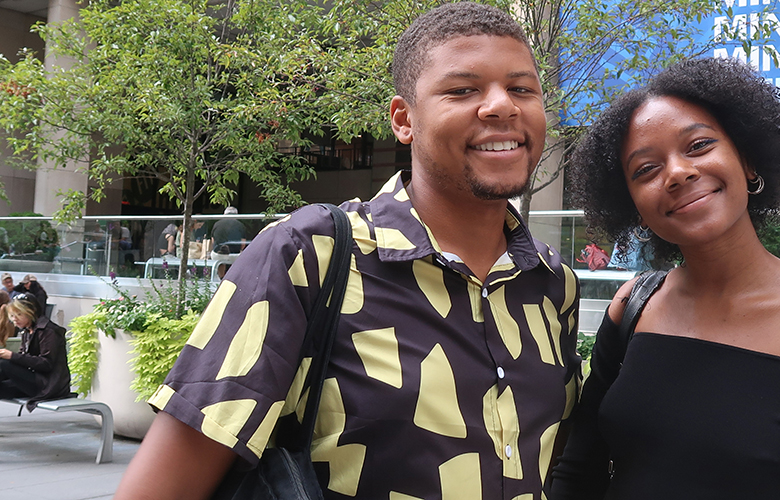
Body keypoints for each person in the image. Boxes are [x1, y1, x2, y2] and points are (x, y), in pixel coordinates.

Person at [115, 4, 581, 499]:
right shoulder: (310, 254)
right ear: (404, 120)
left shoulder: (553, 285)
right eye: (462, 90)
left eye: (521, 88)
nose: (501, 106)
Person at [551, 58, 780, 499]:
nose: (676, 173)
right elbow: (579, 470)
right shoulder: (633, 306)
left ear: (748, 161)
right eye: (646, 169)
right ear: (632, 203)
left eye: (697, 146)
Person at [0, 294, 71, 408]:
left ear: (31, 312)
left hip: (49, 386)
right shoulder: (28, 330)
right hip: (35, 381)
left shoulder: (48, 331)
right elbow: (25, 358)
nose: (14, 319)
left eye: (19, 314)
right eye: (12, 315)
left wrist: (12, 356)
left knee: (3, 363)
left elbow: (46, 364)